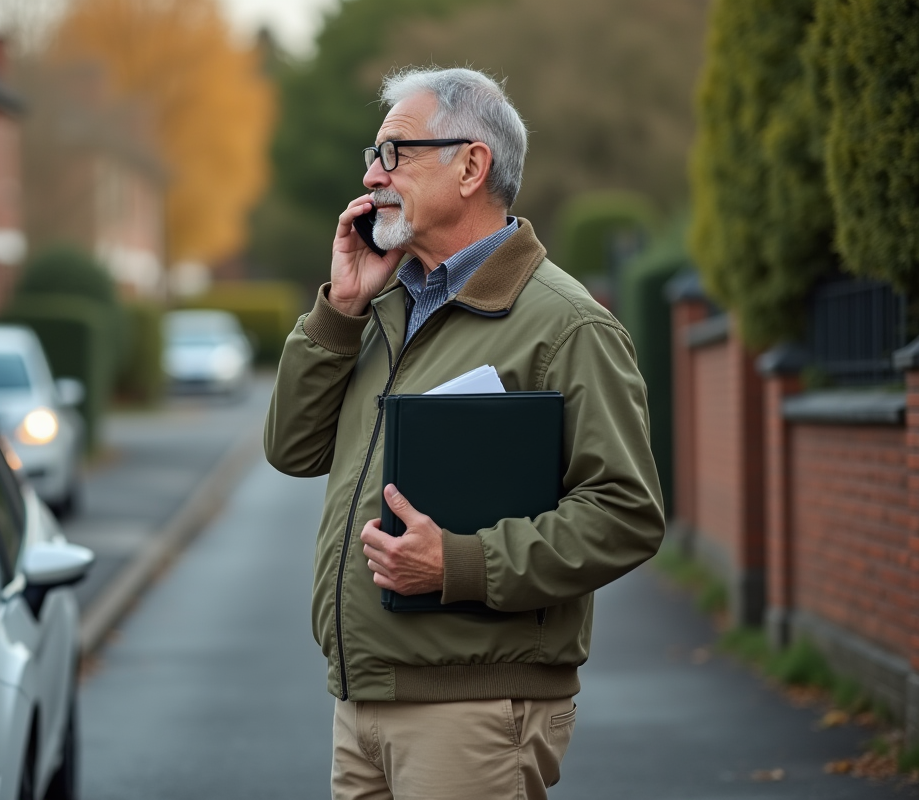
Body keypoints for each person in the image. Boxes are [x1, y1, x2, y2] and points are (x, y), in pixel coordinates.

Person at [264, 66, 665, 800]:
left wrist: (459, 563)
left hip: (474, 711)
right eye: (373, 155)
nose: (373, 175)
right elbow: (293, 450)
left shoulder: (567, 325)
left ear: (472, 166)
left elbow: (626, 514)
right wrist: (340, 311)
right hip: (361, 703)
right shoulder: (381, 306)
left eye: (395, 152)